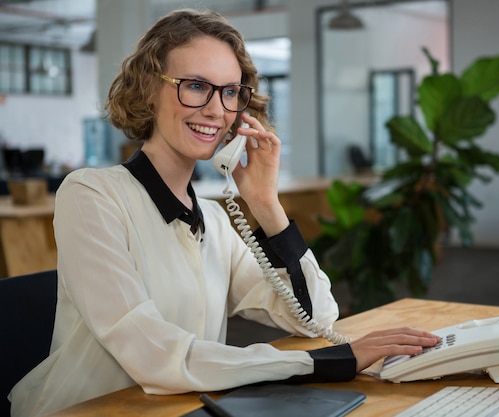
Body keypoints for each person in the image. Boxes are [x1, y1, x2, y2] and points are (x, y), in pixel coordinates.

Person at [9, 9, 439, 417]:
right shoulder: (92, 195)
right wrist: (326, 362)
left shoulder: (213, 220)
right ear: (148, 89)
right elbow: (154, 355)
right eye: (196, 85)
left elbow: (317, 318)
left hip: (183, 408)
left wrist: (267, 206)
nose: (216, 109)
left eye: (231, 92)